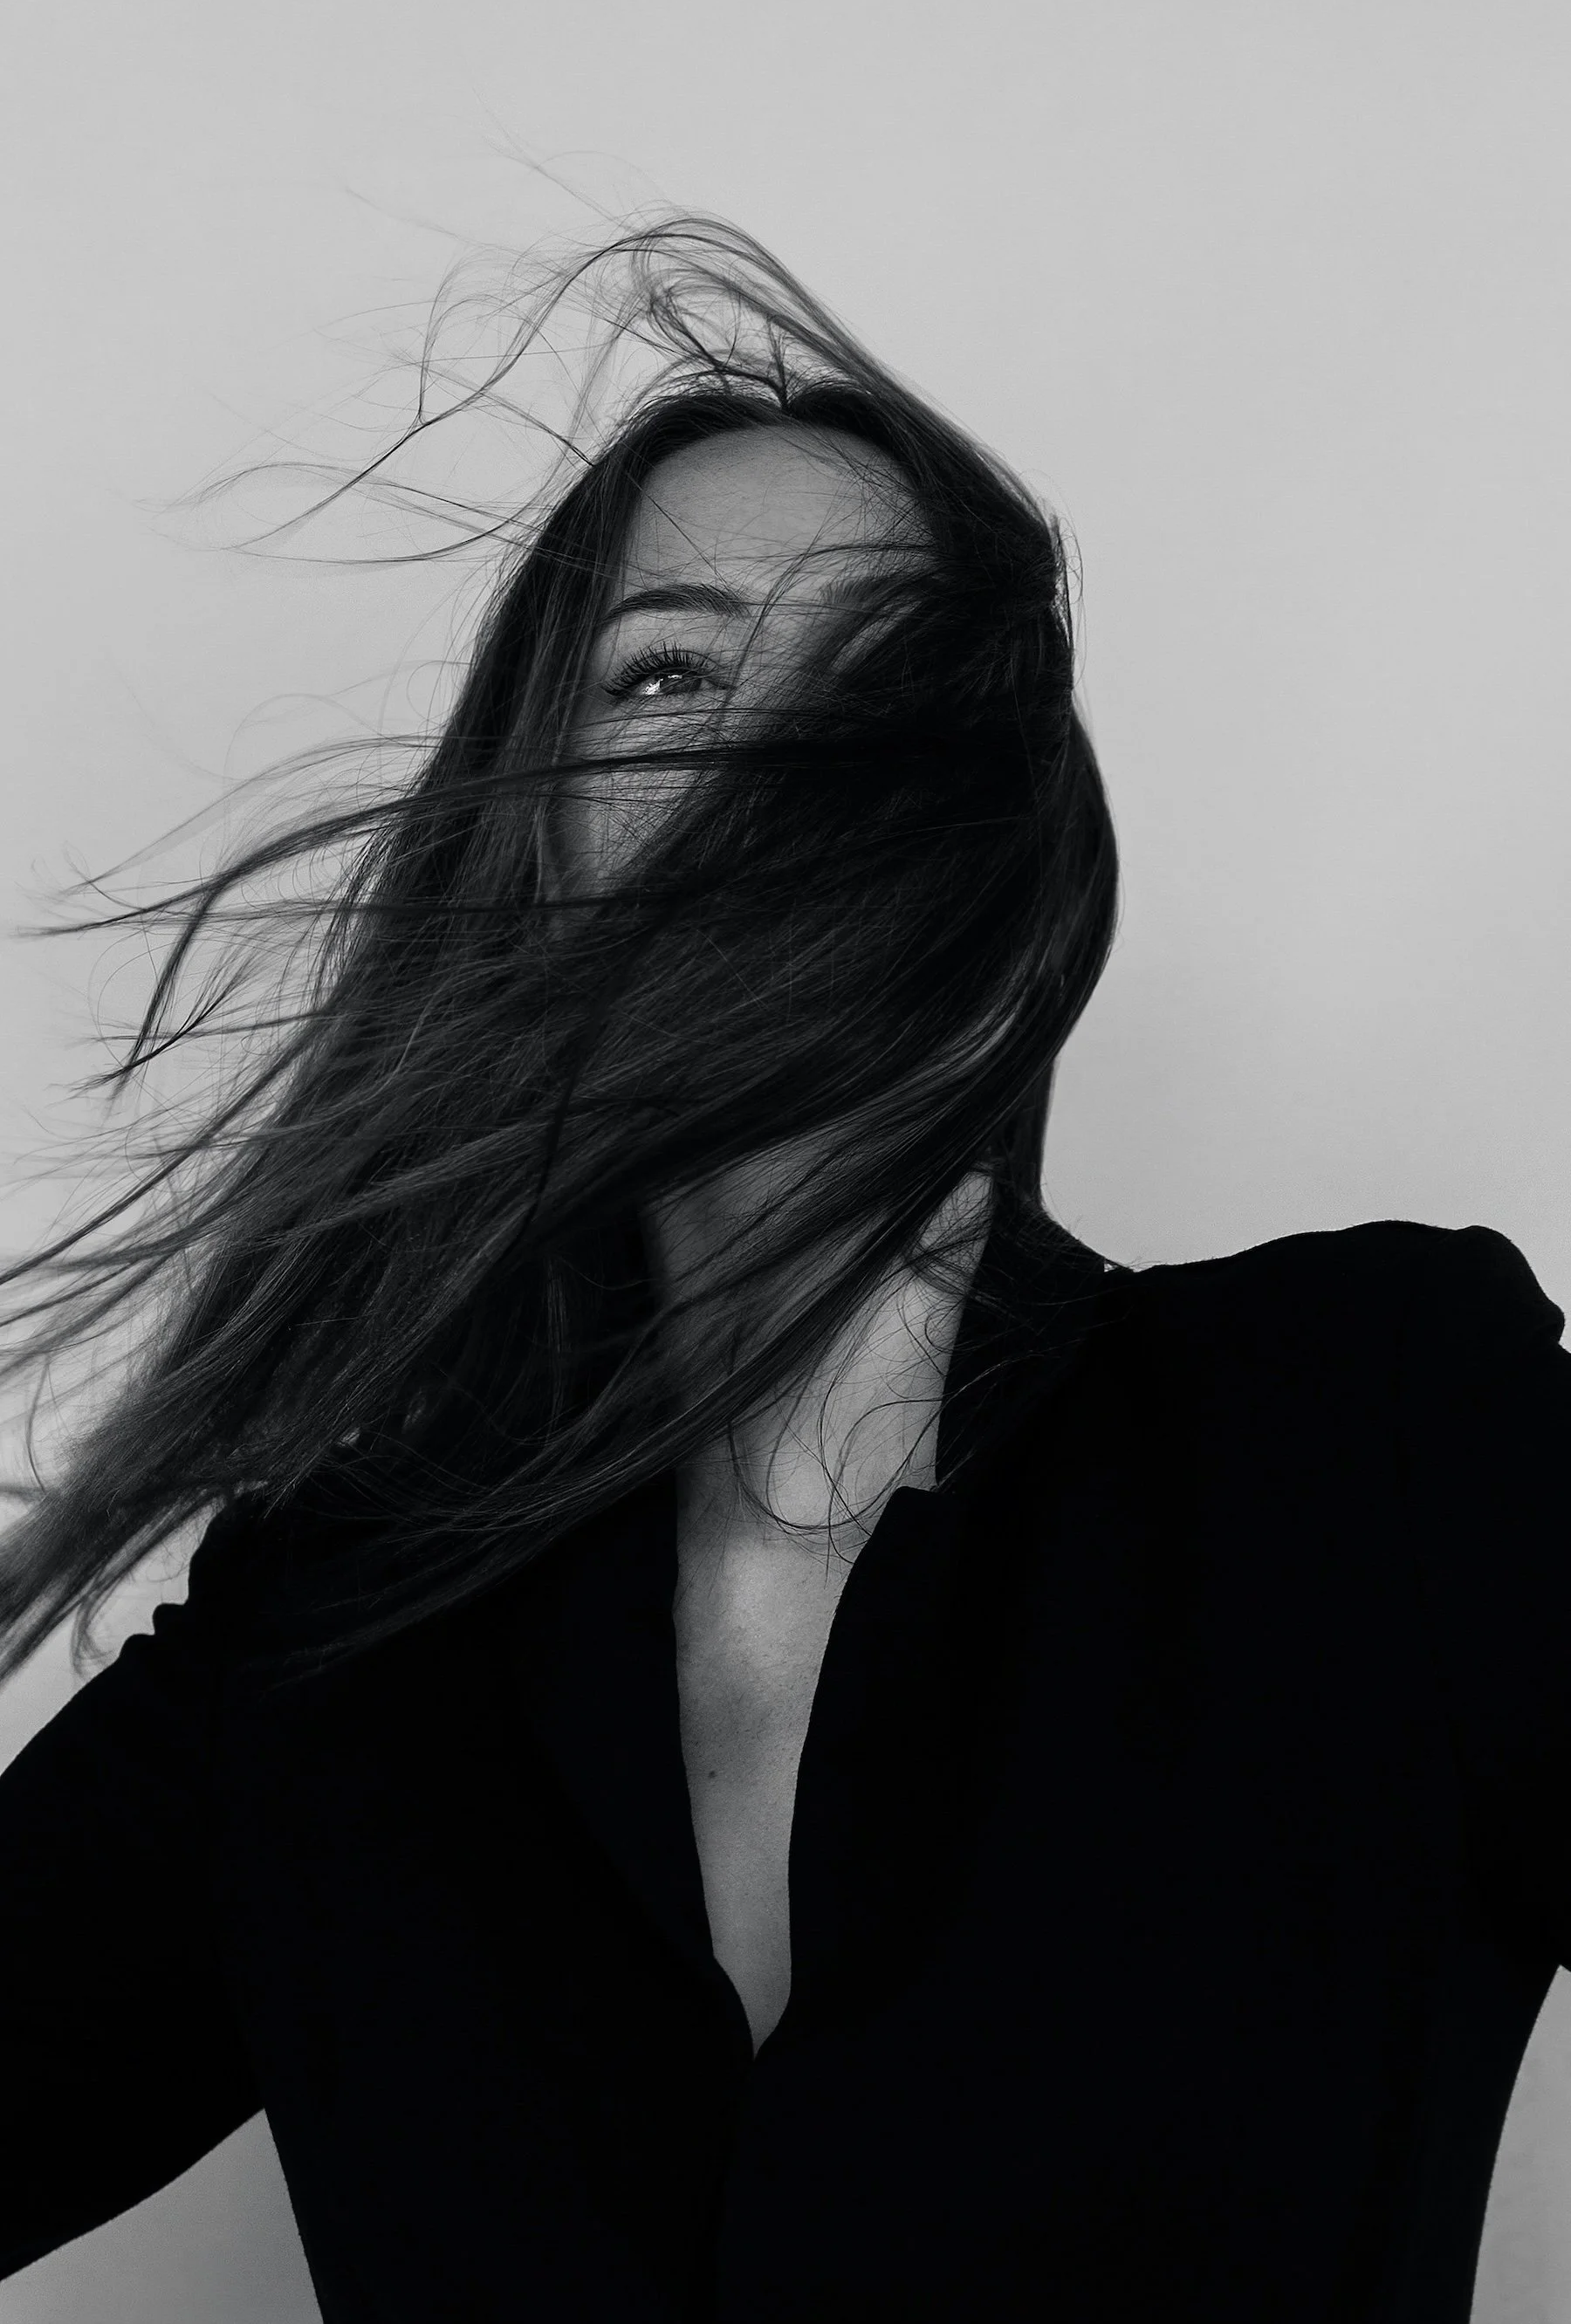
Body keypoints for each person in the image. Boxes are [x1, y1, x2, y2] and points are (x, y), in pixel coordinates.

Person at [0, 216, 1565, 2324]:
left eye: (886, 673)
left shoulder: (1381, 1427)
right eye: (669, 669)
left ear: (1008, 847)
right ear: (530, 850)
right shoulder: (330, 1626)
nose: (779, 753)